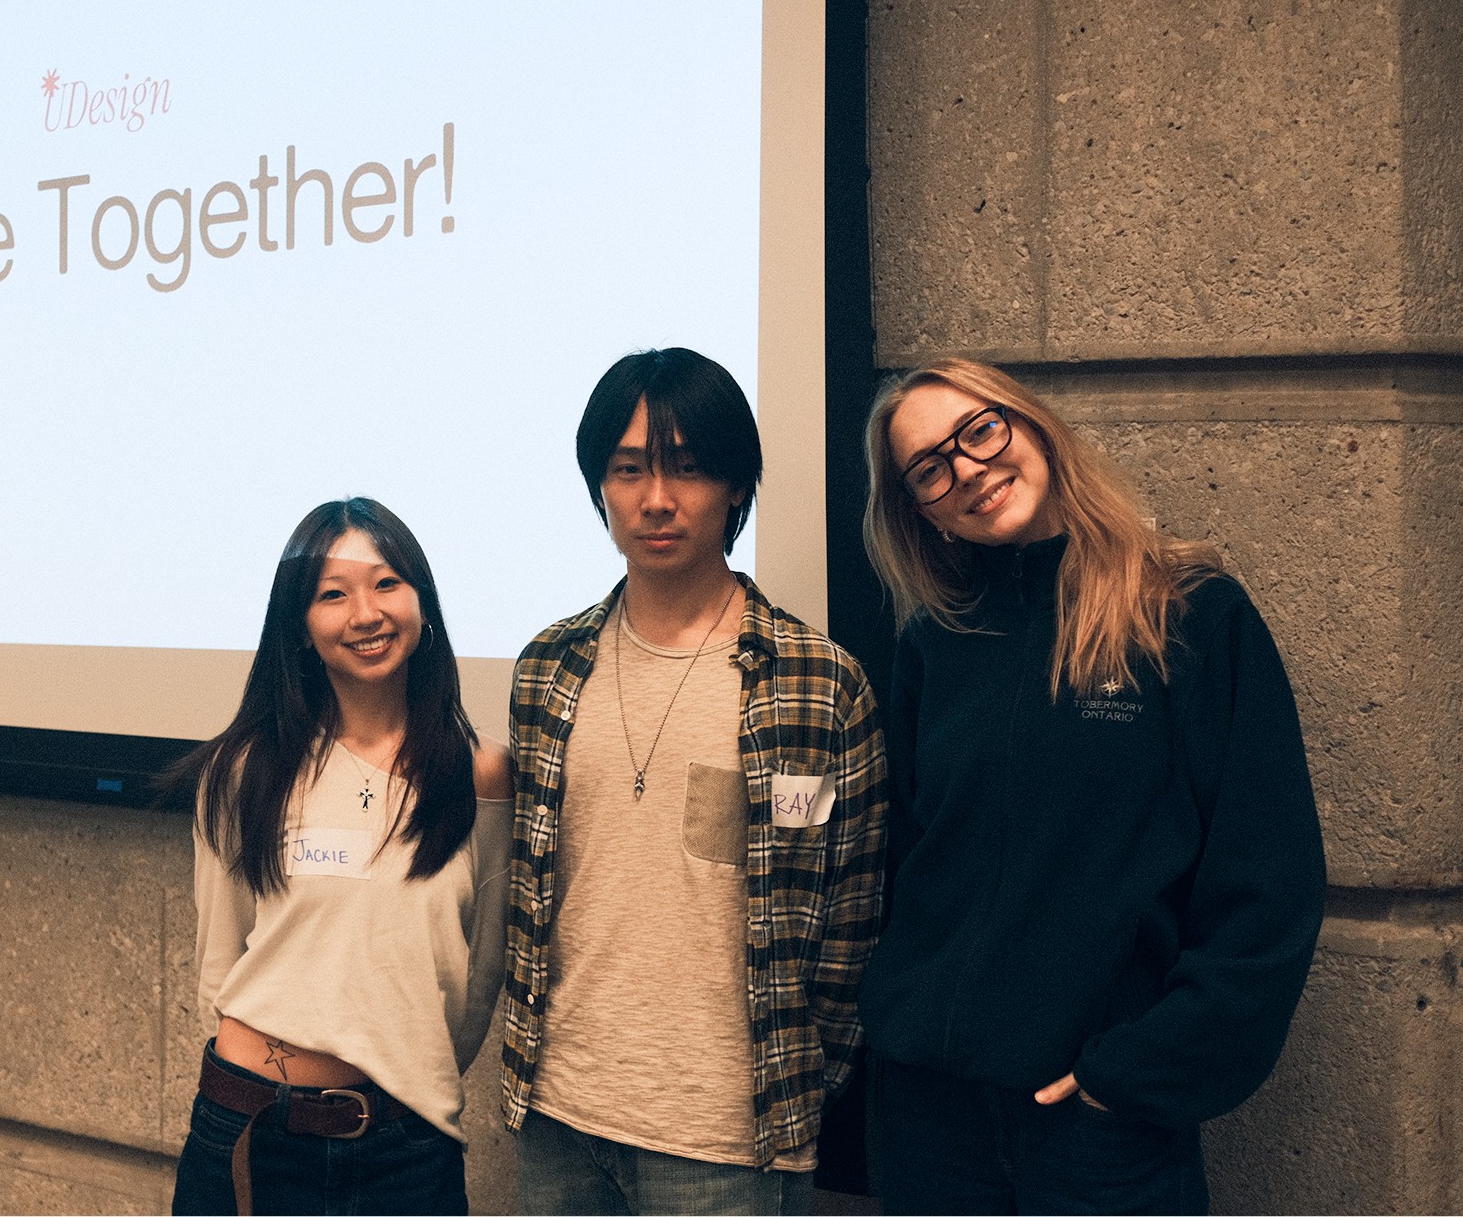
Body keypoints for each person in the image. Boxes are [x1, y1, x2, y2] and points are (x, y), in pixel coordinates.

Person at [858, 357, 1326, 1214]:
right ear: (918, 508)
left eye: (980, 431)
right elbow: (913, 868)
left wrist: (1136, 1072)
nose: (968, 470)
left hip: (1097, 1133)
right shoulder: (935, 641)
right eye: (929, 469)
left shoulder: (1189, 613)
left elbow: (1269, 883)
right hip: (932, 1124)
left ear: (1033, 427)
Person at [499, 347, 888, 1215]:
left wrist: (802, 1080)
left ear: (736, 485)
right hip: (559, 1115)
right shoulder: (547, 668)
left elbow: (852, 922)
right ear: (599, 486)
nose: (656, 498)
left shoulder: (818, 682)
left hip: (729, 1138)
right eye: (628, 469)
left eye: (686, 467)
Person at [169, 497, 513, 1216]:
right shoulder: (244, 771)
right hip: (253, 1129)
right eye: (333, 594)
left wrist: (396, 1065)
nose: (366, 614)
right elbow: (218, 962)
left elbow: (479, 976)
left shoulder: (477, 774)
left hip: (407, 1149)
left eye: (387, 583)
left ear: (423, 604)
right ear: (300, 626)